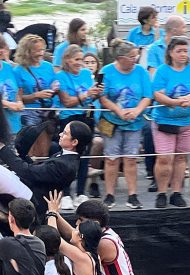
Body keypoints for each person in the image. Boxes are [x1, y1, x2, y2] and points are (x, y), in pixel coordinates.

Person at [152, 36, 190, 208]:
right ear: (171, 53)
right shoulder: (162, 70)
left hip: (188, 121)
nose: (183, 54)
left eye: (185, 50)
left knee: (181, 158)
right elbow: (158, 94)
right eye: (179, 51)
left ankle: (176, 191)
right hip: (165, 120)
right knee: (164, 158)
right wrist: (176, 102)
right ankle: (161, 192)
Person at [99, 39, 153, 210]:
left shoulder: (141, 72)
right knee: (111, 159)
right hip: (111, 121)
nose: (135, 59)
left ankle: (132, 194)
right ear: (121, 58)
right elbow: (102, 97)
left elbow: (147, 95)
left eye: (136, 56)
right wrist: (117, 110)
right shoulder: (106, 71)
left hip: (134, 122)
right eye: (131, 57)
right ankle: (109, 194)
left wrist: (138, 110)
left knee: (131, 159)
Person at [56, 44, 103, 209]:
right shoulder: (61, 76)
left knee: (84, 156)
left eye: (81, 60)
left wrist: (96, 93)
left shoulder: (86, 74)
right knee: (67, 156)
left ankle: (81, 193)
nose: (79, 63)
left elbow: (92, 98)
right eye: (76, 60)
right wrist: (86, 95)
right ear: (67, 60)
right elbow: (67, 102)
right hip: (69, 118)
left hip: (86, 117)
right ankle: (66, 193)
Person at [14, 34, 57, 127]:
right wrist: (36, 95)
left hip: (48, 112)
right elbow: (17, 98)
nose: (41, 53)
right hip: (29, 114)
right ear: (27, 52)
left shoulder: (48, 66)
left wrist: (55, 88)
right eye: (37, 51)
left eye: (42, 50)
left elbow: (54, 84)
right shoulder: (18, 71)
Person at [0, 33, 23, 137]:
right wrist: (9, 104)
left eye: (1, 47)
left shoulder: (9, 68)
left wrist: (19, 101)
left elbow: (17, 90)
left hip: (13, 123)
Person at [82, 52, 104, 199]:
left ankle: (93, 182)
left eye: (92, 62)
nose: (90, 65)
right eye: (87, 62)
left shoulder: (101, 86)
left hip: (99, 126)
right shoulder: (81, 82)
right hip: (81, 125)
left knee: (98, 142)